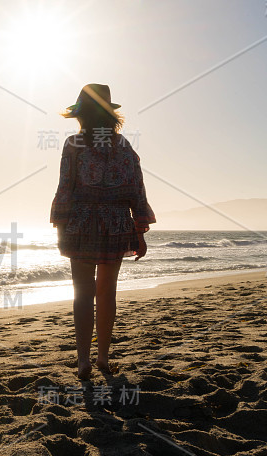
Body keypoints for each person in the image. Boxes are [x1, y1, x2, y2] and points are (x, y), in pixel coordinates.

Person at [50, 84, 156, 380]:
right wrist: (140, 229)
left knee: (82, 293)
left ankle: (83, 360)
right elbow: (137, 188)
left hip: (81, 222)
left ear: (82, 115)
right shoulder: (124, 147)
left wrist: (60, 223)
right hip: (116, 224)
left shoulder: (73, 144)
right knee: (107, 292)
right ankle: (103, 358)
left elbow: (65, 187)